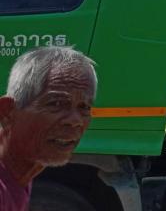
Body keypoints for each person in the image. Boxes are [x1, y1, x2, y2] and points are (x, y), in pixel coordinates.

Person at [0, 46, 97, 210]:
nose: (75, 121)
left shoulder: (19, 174)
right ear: (8, 111)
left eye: (84, 108)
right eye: (56, 104)